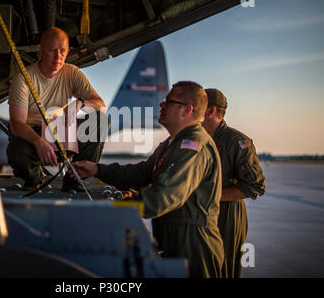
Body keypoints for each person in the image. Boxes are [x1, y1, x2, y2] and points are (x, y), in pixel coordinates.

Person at [71, 81, 224, 278]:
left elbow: (163, 198)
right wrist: (96, 169)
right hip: (175, 239)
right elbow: (142, 173)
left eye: (168, 101)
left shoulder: (193, 146)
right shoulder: (171, 143)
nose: (161, 105)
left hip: (194, 247)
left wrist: (118, 207)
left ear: (187, 109)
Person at [7, 27, 107, 190]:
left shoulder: (71, 72)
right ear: (41, 51)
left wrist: (80, 103)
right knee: (16, 151)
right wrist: (38, 141)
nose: (58, 56)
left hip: (62, 135)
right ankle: (35, 180)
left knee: (100, 120)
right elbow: (17, 123)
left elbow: (101, 105)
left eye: (62, 51)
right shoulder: (23, 79)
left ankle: (74, 180)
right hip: (33, 138)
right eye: (52, 50)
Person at [202, 88, 265, 278]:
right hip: (204, 215)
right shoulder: (198, 139)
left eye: (197, 106)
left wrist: (211, 195)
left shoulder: (237, 141)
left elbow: (255, 186)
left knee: (224, 268)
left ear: (210, 110)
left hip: (227, 216)